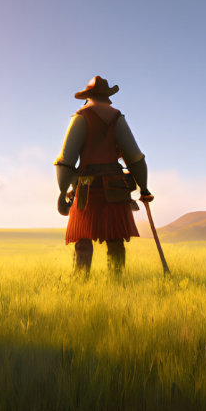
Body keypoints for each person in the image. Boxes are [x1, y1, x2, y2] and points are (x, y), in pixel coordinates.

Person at [54, 76, 152, 276]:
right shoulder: (117, 118)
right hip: (116, 188)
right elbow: (134, 157)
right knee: (115, 241)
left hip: (86, 189)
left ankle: (81, 283)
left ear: (88, 96)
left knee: (82, 241)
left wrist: (63, 191)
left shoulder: (80, 117)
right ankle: (116, 284)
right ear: (107, 96)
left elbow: (66, 160)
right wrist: (143, 187)